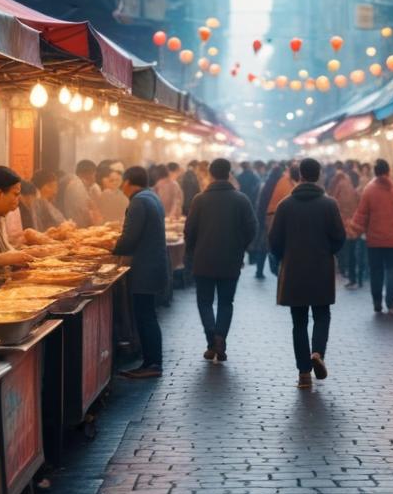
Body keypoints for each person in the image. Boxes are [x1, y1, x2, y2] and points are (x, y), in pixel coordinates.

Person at [270, 158, 346, 389]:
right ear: (319, 175)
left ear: (300, 175)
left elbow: (274, 241)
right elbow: (340, 237)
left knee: (299, 322)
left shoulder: (285, 205)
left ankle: (304, 373)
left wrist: (286, 257)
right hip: (321, 269)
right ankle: (317, 353)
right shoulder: (329, 205)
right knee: (322, 314)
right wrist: (326, 253)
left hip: (294, 270)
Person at [185, 159, 257, 362]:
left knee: (204, 302)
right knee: (226, 302)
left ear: (210, 174)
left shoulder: (199, 200)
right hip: (230, 260)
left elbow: (189, 230)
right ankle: (220, 339)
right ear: (229, 174)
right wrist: (240, 247)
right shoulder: (241, 199)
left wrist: (192, 251)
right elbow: (252, 228)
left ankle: (211, 341)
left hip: (203, 259)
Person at [114, 167, 169, 379]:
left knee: (145, 316)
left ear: (128, 182)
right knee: (148, 315)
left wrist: (111, 248)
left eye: (122, 182)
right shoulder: (151, 197)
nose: (121, 186)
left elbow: (129, 238)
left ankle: (153, 363)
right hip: (153, 266)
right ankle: (151, 361)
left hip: (146, 268)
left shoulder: (138, 201)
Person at [351, 159, 393, 315]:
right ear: (389, 171)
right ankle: (390, 303)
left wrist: (356, 230)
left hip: (374, 240)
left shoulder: (368, 190)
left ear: (375, 172)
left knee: (376, 271)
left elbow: (362, 214)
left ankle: (377, 302)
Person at [328, 166, 363, 289]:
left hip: (342, 224)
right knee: (354, 252)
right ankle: (356, 278)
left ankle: (347, 273)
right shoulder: (351, 187)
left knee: (345, 251)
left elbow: (333, 204)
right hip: (354, 224)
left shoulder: (338, 186)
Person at [61, 160, 99, 227]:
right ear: (88, 174)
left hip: (75, 225)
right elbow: (83, 211)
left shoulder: (78, 184)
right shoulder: (77, 185)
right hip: (77, 227)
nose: (95, 178)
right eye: (95, 174)